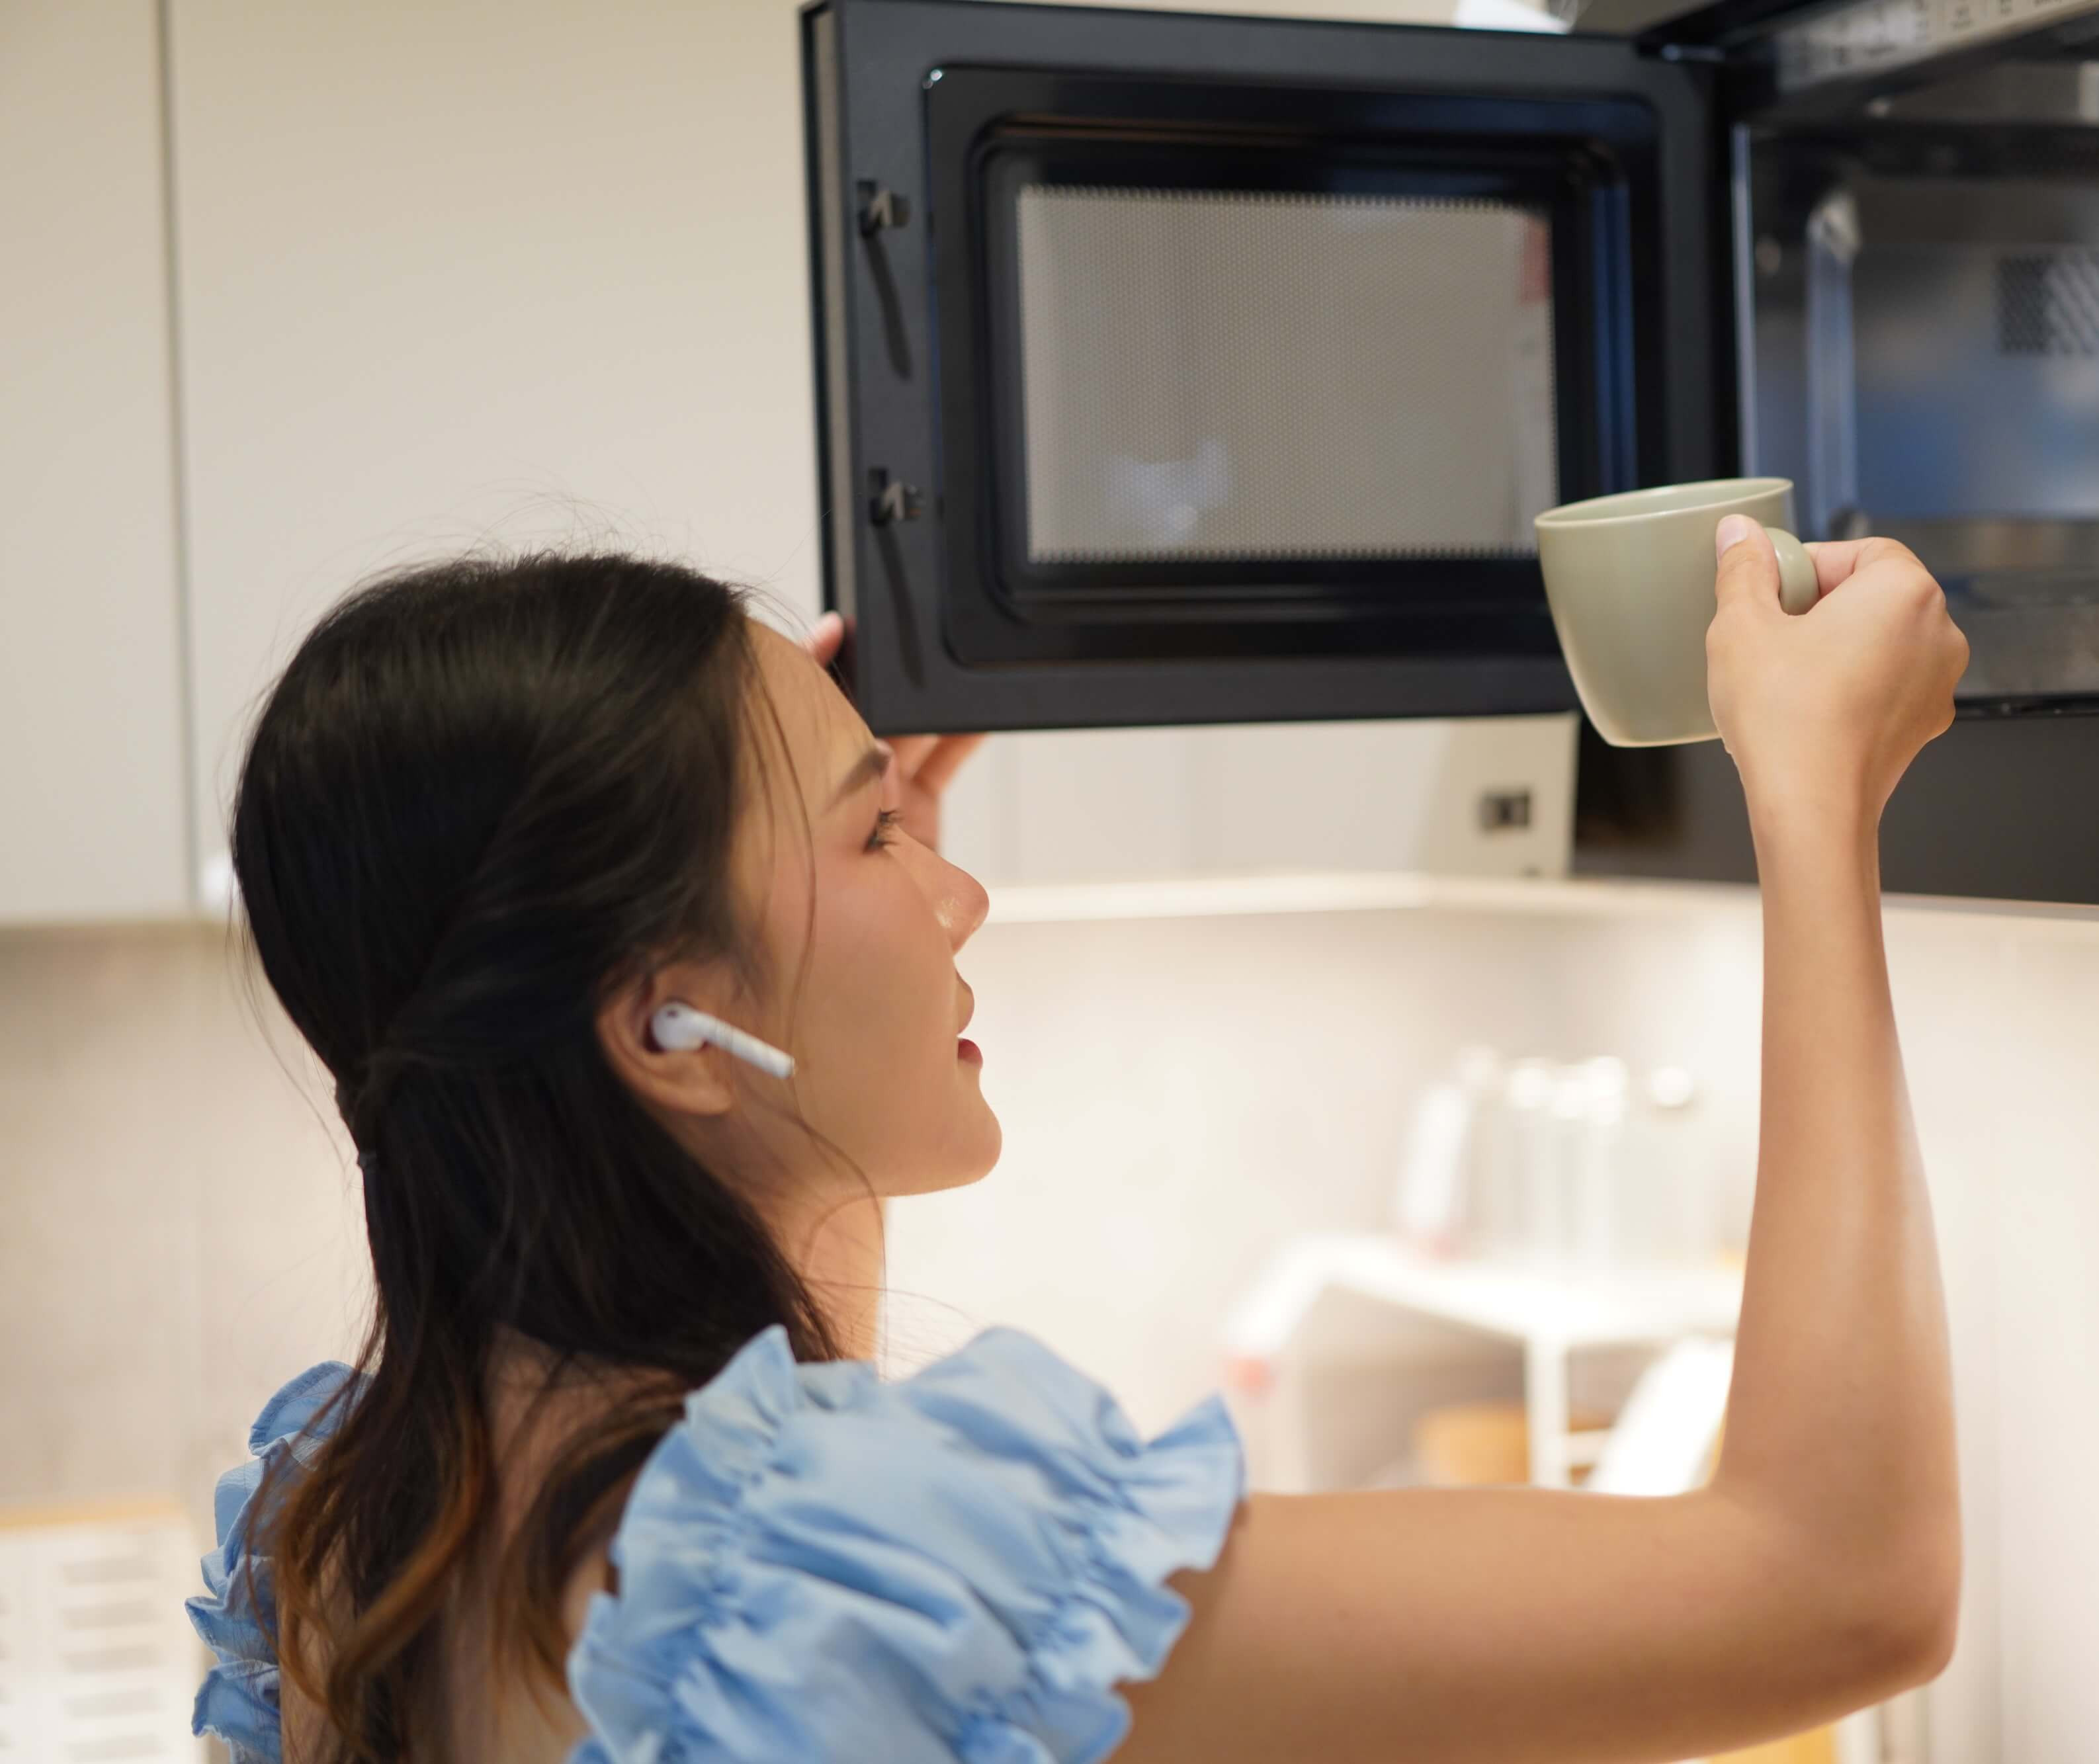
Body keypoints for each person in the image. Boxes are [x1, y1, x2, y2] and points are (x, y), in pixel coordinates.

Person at [187, 513, 1968, 1764]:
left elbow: (770, 1438)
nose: (955, 893)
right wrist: (1815, 807)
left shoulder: (351, 1537)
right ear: (667, 1029)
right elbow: (1830, 1583)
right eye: (879, 838)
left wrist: (824, 934)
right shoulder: (882, 1563)